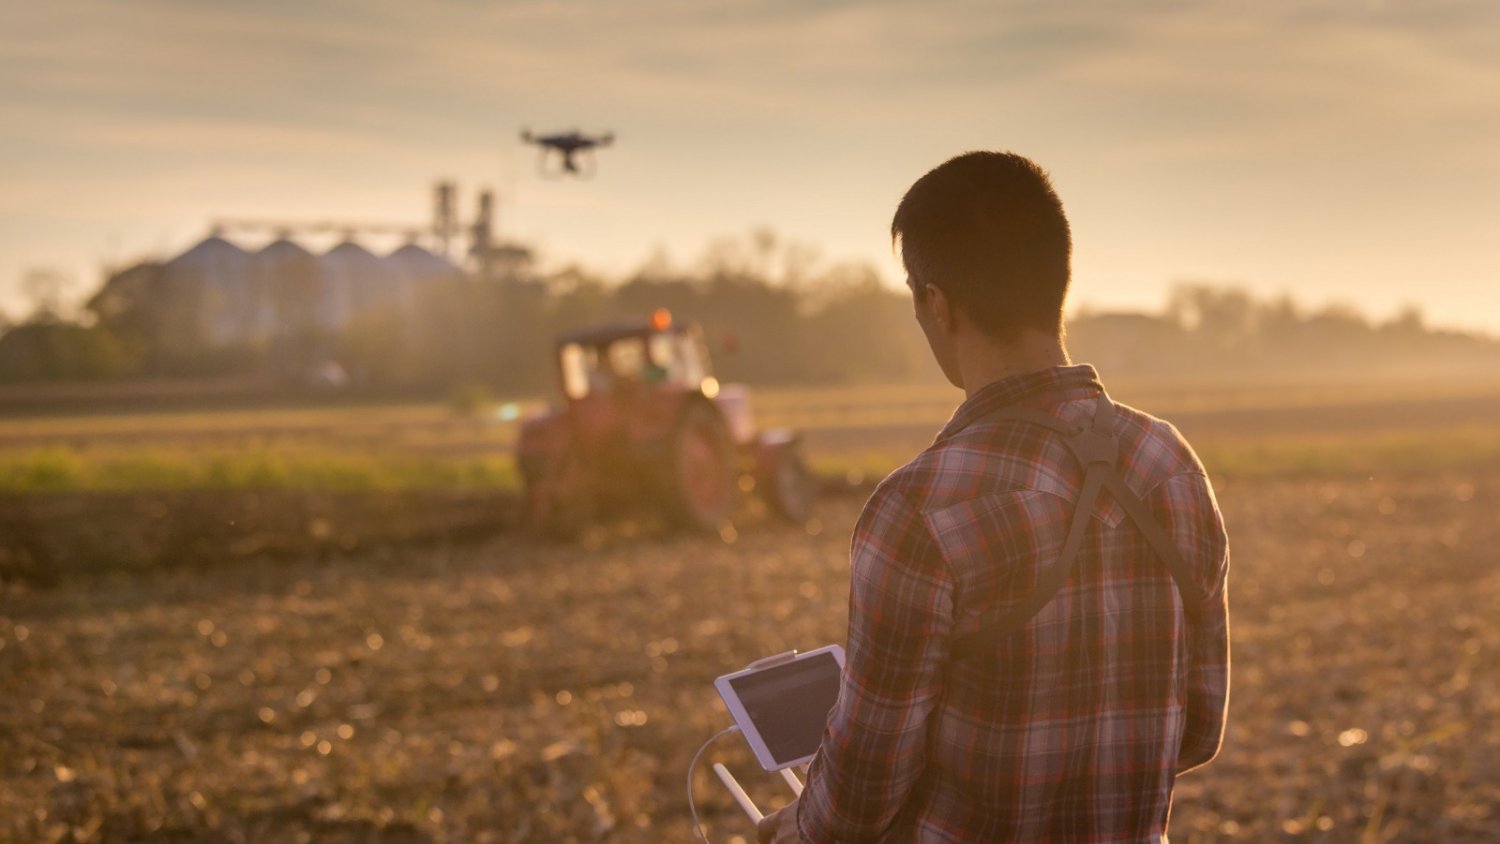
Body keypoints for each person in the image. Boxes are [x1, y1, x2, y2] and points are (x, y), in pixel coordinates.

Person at [758, 152, 1230, 843]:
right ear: (1057, 280)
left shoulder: (920, 506)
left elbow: (858, 798)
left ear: (936, 303)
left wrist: (792, 829)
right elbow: (1199, 729)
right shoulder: (1171, 465)